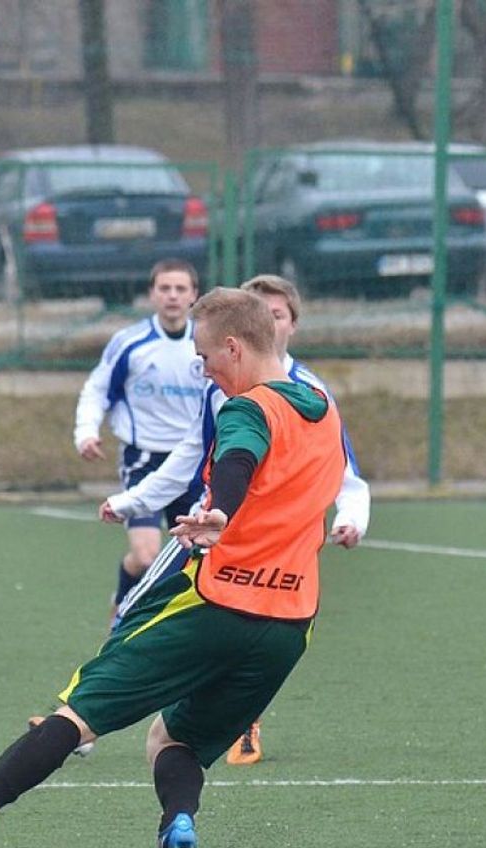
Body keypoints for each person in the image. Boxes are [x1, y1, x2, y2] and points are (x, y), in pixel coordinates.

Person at [0, 288, 346, 848]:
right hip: (290, 622)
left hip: (215, 603)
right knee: (172, 739)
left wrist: (220, 513)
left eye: (206, 357)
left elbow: (239, 456)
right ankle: (178, 827)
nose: (203, 369)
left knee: (79, 712)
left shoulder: (247, 408)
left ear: (234, 347)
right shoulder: (323, 407)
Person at [101, 273, 371, 765]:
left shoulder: (311, 393)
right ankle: (87, 717)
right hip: (210, 528)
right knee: (139, 605)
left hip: (270, 546)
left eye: (277, 314)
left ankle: (239, 722)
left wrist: (354, 517)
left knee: (258, 630)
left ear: (290, 325)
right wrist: (133, 501)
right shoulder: (218, 383)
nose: (268, 322)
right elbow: (190, 453)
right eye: (260, 312)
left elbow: (345, 470)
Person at [72, 259, 207, 613]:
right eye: (165, 288)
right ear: (152, 294)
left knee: (192, 560)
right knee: (147, 556)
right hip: (144, 459)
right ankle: (122, 603)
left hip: (193, 465)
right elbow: (96, 389)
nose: (173, 296)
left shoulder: (207, 344)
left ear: (194, 295)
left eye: (180, 289)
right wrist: (86, 432)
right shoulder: (130, 342)